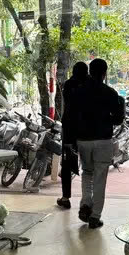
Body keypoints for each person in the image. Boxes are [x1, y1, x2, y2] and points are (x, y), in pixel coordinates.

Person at [73, 58, 125, 229]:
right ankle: (95, 216)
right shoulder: (110, 93)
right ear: (104, 73)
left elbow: (72, 116)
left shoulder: (79, 91)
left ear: (90, 71)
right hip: (103, 140)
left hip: (83, 140)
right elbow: (118, 119)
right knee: (100, 177)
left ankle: (85, 204)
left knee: (87, 173)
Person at [56, 61, 89, 209]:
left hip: (70, 131)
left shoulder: (69, 84)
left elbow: (69, 103)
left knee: (67, 164)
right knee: (89, 168)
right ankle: (88, 200)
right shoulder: (91, 85)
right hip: (87, 131)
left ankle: (65, 197)